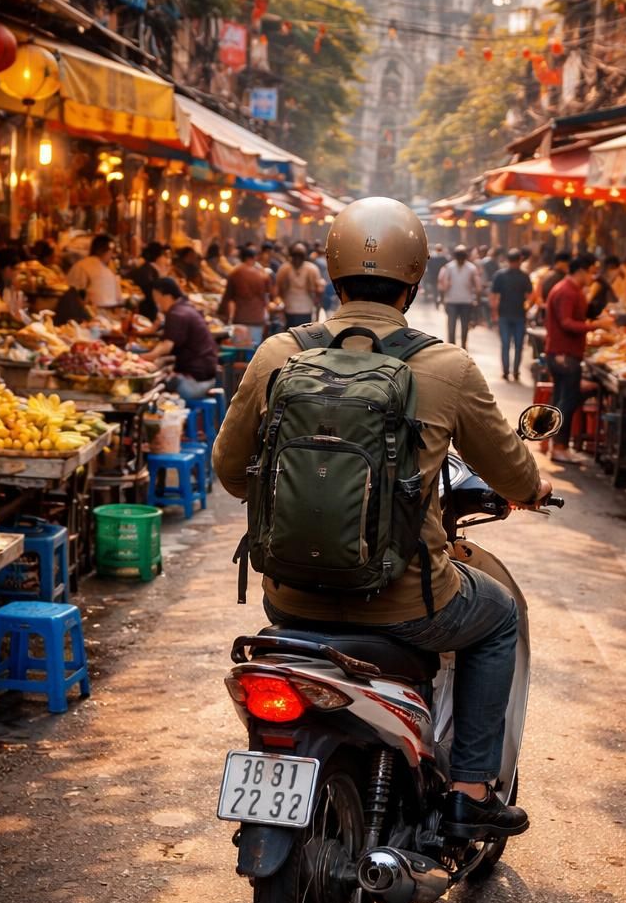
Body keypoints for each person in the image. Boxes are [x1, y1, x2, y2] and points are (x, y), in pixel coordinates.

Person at [212, 197, 552, 840]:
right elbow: (511, 474)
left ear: (331, 274)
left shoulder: (276, 354)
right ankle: (471, 794)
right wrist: (534, 489)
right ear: (416, 280)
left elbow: (231, 473)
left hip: (289, 603)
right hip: (409, 606)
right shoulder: (447, 367)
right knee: (499, 614)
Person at [545, 253, 612, 465]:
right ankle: (559, 447)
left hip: (563, 353)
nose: (593, 276)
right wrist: (596, 326)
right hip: (564, 354)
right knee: (568, 400)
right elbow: (566, 322)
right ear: (582, 270)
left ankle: (554, 444)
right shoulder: (567, 291)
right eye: (592, 271)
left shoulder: (571, 290)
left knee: (562, 400)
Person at [144, 277, 220, 399]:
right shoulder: (186, 308)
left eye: (157, 298)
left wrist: (144, 358)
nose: (156, 303)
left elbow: (166, 346)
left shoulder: (176, 314)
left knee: (152, 388)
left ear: (166, 296)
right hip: (207, 375)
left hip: (195, 381)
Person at [489, 248, 532, 381]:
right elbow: (530, 296)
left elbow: (494, 296)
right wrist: (527, 308)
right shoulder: (525, 276)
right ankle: (516, 371)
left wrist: (494, 313)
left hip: (504, 315)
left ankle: (506, 371)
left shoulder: (499, 275)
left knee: (505, 344)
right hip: (519, 315)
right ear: (520, 260)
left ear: (507, 260)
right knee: (518, 345)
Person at [219, 245, 271, 346]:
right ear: (253, 258)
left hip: (240, 319)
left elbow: (226, 298)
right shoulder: (262, 274)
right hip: (257, 318)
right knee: (253, 350)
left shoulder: (234, 273)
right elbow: (267, 296)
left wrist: (222, 316)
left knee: (239, 350)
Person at [438, 243, 480, 348]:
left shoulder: (471, 268)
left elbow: (477, 286)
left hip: (465, 302)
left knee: (464, 327)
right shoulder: (449, 267)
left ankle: (463, 346)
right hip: (452, 301)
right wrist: (443, 298)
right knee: (452, 327)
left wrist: (476, 299)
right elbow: (444, 284)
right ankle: (453, 348)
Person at [275, 242, 323, 329]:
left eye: (299, 256)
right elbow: (278, 288)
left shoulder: (311, 269)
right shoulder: (285, 269)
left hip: (303, 309)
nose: (297, 259)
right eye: (295, 255)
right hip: (292, 308)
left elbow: (319, 290)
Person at [67, 234, 121, 310]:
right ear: (101, 250)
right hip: (106, 313)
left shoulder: (82, 265)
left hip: (92, 313)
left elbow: (71, 291)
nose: (111, 256)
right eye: (110, 252)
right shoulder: (107, 270)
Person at [131, 241, 172, 320]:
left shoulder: (149, 268)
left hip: (146, 311)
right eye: (165, 256)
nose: (166, 261)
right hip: (148, 314)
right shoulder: (150, 271)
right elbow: (154, 295)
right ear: (158, 257)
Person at [587, 255, 620, 320]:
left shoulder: (605, 281)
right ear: (611, 268)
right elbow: (588, 299)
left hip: (602, 316)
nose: (617, 274)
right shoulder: (599, 282)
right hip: (596, 318)